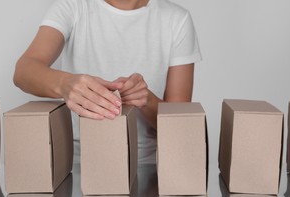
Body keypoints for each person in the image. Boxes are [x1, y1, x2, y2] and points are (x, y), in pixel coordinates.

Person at [13, 0, 202, 164]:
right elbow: (23, 71)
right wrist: (66, 84)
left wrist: (147, 100)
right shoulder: (73, 7)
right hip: (79, 163)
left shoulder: (177, 19)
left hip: (146, 166)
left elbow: (180, 124)